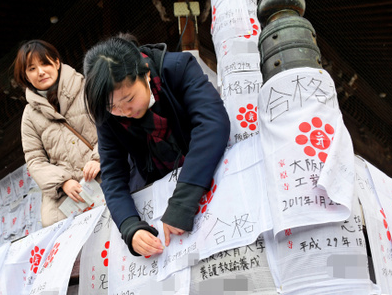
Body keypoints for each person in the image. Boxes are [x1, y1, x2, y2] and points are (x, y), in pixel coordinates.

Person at [83, 36, 230, 256]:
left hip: (207, 168)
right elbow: (113, 175)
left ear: (146, 73)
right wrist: (130, 227)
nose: (125, 111)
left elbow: (212, 124)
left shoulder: (178, 67)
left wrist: (183, 200)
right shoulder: (107, 117)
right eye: (113, 106)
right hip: (160, 183)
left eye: (130, 99)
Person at [14, 40, 101, 226]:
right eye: (32, 68)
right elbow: (35, 160)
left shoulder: (87, 88)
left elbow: (111, 123)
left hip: (104, 175)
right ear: (26, 76)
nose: (41, 72)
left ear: (57, 62)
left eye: (45, 63)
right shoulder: (29, 116)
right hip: (66, 198)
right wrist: (62, 182)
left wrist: (99, 157)